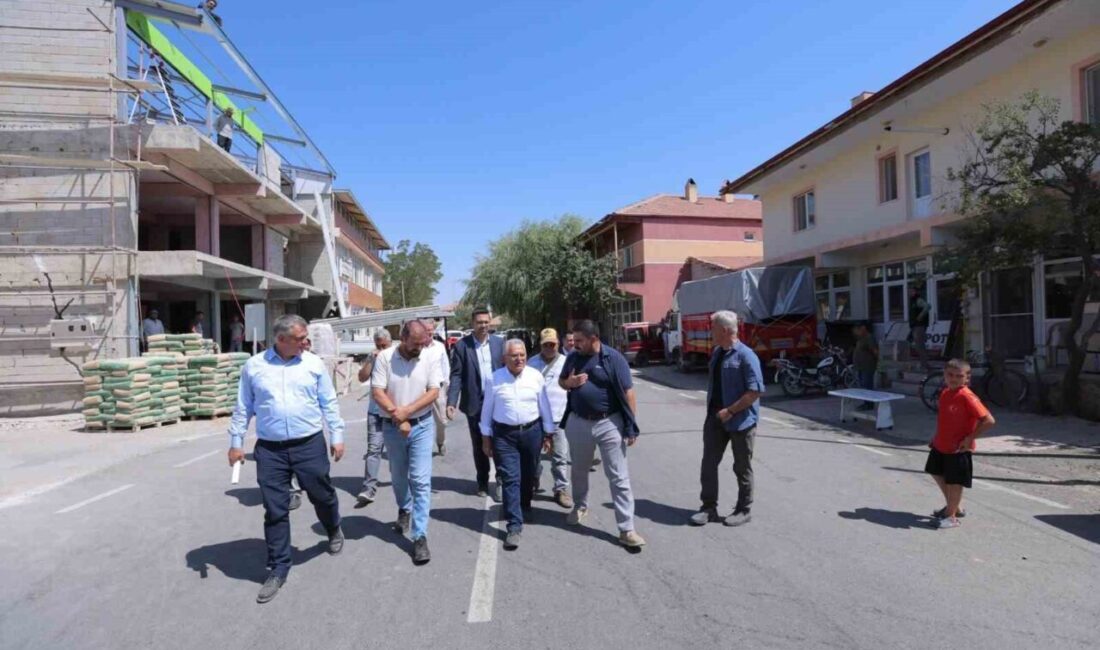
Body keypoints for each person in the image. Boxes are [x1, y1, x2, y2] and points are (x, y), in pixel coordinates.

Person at [227, 314, 345, 604]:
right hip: (271, 450)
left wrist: (337, 435)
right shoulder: (254, 367)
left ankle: (332, 528)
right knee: (275, 509)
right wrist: (236, 442)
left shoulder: (313, 364)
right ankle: (279, 567)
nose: (307, 342)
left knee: (322, 494)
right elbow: (243, 407)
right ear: (281, 340)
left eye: (307, 337)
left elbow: (328, 402)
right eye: (301, 338)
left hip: (309, 444)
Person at [558, 320, 645, 548]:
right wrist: (570, 382)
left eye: (579, 341)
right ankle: (580, 506)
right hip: (578, 422)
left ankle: (627, 529)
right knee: (578, 469)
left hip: (609, 423)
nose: (574, 344)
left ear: (593, 339)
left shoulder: (613, 359)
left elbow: (628, 392)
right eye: (573, 340)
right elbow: (561, 382)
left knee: (618, 476)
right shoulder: (573, 358)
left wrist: (630, 425)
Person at [371, 320, 442, 565]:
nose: (419, 349)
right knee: (399, 476)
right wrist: (397, 415)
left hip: (421, 425)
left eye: (422, 344)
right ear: (402, 337)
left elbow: (433, 391)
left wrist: (408, 411)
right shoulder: (385, 358)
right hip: (393, 428)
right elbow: (377, 391)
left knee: (421, 481)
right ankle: (404, 507)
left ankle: (420, 536)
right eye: (415, 344)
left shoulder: (429, 356)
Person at [480, 339, 557, 550]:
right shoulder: (494, 379)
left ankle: (525, 504)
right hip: (504, 436)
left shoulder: (535, 377)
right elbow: (487, 410)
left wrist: (548, 434)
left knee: (529, 473)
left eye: (522, 354)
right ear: (505, 358)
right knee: (510, 478)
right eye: (514, 355)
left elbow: (545, 406)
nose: (519, 359)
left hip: (532, 432)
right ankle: (514, 525)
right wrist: (486, 438)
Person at [690, 311, 764, 528]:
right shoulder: (717, 353)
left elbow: (755, 391)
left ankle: (743, 510)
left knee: (742, 467)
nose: (709, 332)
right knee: (709, 464)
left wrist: (730, 411)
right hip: (715, 419)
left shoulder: (746, 355)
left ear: (724, 330)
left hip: (740, 421)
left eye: (712, 328)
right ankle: (708, 508)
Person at [925, 358, 995, 530]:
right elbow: (946, 420)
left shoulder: (967, 396)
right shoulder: (946, 392)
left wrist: (970, 438)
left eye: (958, 376)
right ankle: (954, 506)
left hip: (958, 449)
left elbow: (989, 420)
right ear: (944, 375)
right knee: (934, 471)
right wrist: (935, 437)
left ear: (967, 378)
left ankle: (951, 517)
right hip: (941, 443)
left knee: (954, 482)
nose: (954, 378)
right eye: (950, 375)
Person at [447, 308, 505, 500]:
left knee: (500, 443)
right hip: (475, 403)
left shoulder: (499, 344)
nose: (483, 326)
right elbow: (456, 375)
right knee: (480, 444)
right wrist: (451, 401)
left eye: (486, 322)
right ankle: (482, 481)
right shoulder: (463, 346)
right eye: (479, 322)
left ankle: (501, 481)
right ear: (472, 324)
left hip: (498, 403)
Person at [528, 328, 573, 508]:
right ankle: (533, 479)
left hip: (559, 418)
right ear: (541, 345)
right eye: (546, 344)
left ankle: (560, 489)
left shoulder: (567, 362)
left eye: (552, 344)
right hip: (536, 419)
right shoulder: (531, 363)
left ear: (558, 344)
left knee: (560, 456)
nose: (549, 347)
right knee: (533, 456)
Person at [356, 330, 393, 506]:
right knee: (373, 450)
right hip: (375, 411)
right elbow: (361, 377)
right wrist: (371, 360)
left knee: (397, 452)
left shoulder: (396, 357)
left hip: (393, 412)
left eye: (383, 345)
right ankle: (368, 488)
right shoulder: (373, 357)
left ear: (390, 343)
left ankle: (403, 483)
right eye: (377, 345)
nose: (380, 348)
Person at [420, 322, 451, 456]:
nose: (430, 333)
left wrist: (446, 384)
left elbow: (445, 365)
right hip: (420, 388)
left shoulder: (439, 347)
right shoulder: (417, 347)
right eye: (427, 330)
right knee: (419, 421)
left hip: (438, 388)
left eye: (431, 330)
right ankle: (420, 447)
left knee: (442, 421)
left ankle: (440, 442)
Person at [852, 323, 879, 411]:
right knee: (863, 385)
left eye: (857, 330)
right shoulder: (861, 339)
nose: (856, 332)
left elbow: (875, 352)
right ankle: (866, 402)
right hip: (860, 367)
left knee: (867, 385)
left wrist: (876, 362)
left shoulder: (869, 338)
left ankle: (869, 404)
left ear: (863, 328)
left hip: (867, 366)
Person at [909, 285, 931, 371]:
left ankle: (924, 365)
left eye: (911, 291)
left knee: (920, 346)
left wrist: (920, 316)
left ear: (916, 292)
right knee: (918, 346)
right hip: (916, 326)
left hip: (919, 326)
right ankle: (924, 363)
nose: (910, 293)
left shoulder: (918, 300)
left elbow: (928, 306)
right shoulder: (913, 301)